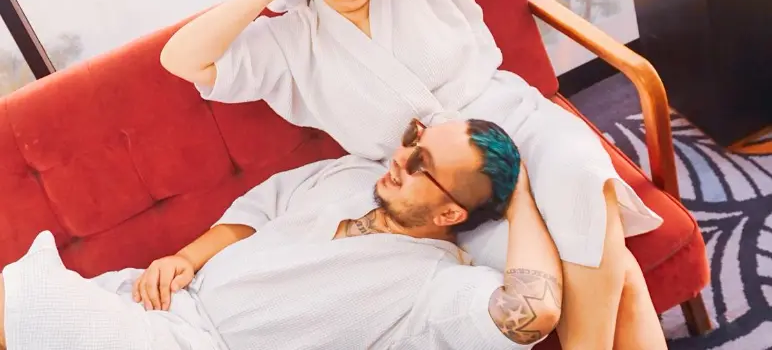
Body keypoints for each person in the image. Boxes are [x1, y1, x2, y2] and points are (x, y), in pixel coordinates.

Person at [160, 0, 667, 347]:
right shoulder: (291, 44)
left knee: (581, 178)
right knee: (616, 270)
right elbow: (181, 59)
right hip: (448, 193)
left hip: (523, 127)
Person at [0, 119, 562, 350]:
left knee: (21, 299)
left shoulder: (434, 288)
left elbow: (532, 311)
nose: (400, 158)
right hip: (158, 302)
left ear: (450, 215)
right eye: (413, 140)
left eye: (422, 165)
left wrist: (522, 200)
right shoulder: (350, 176)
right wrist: (186, 257)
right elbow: (257, 212)